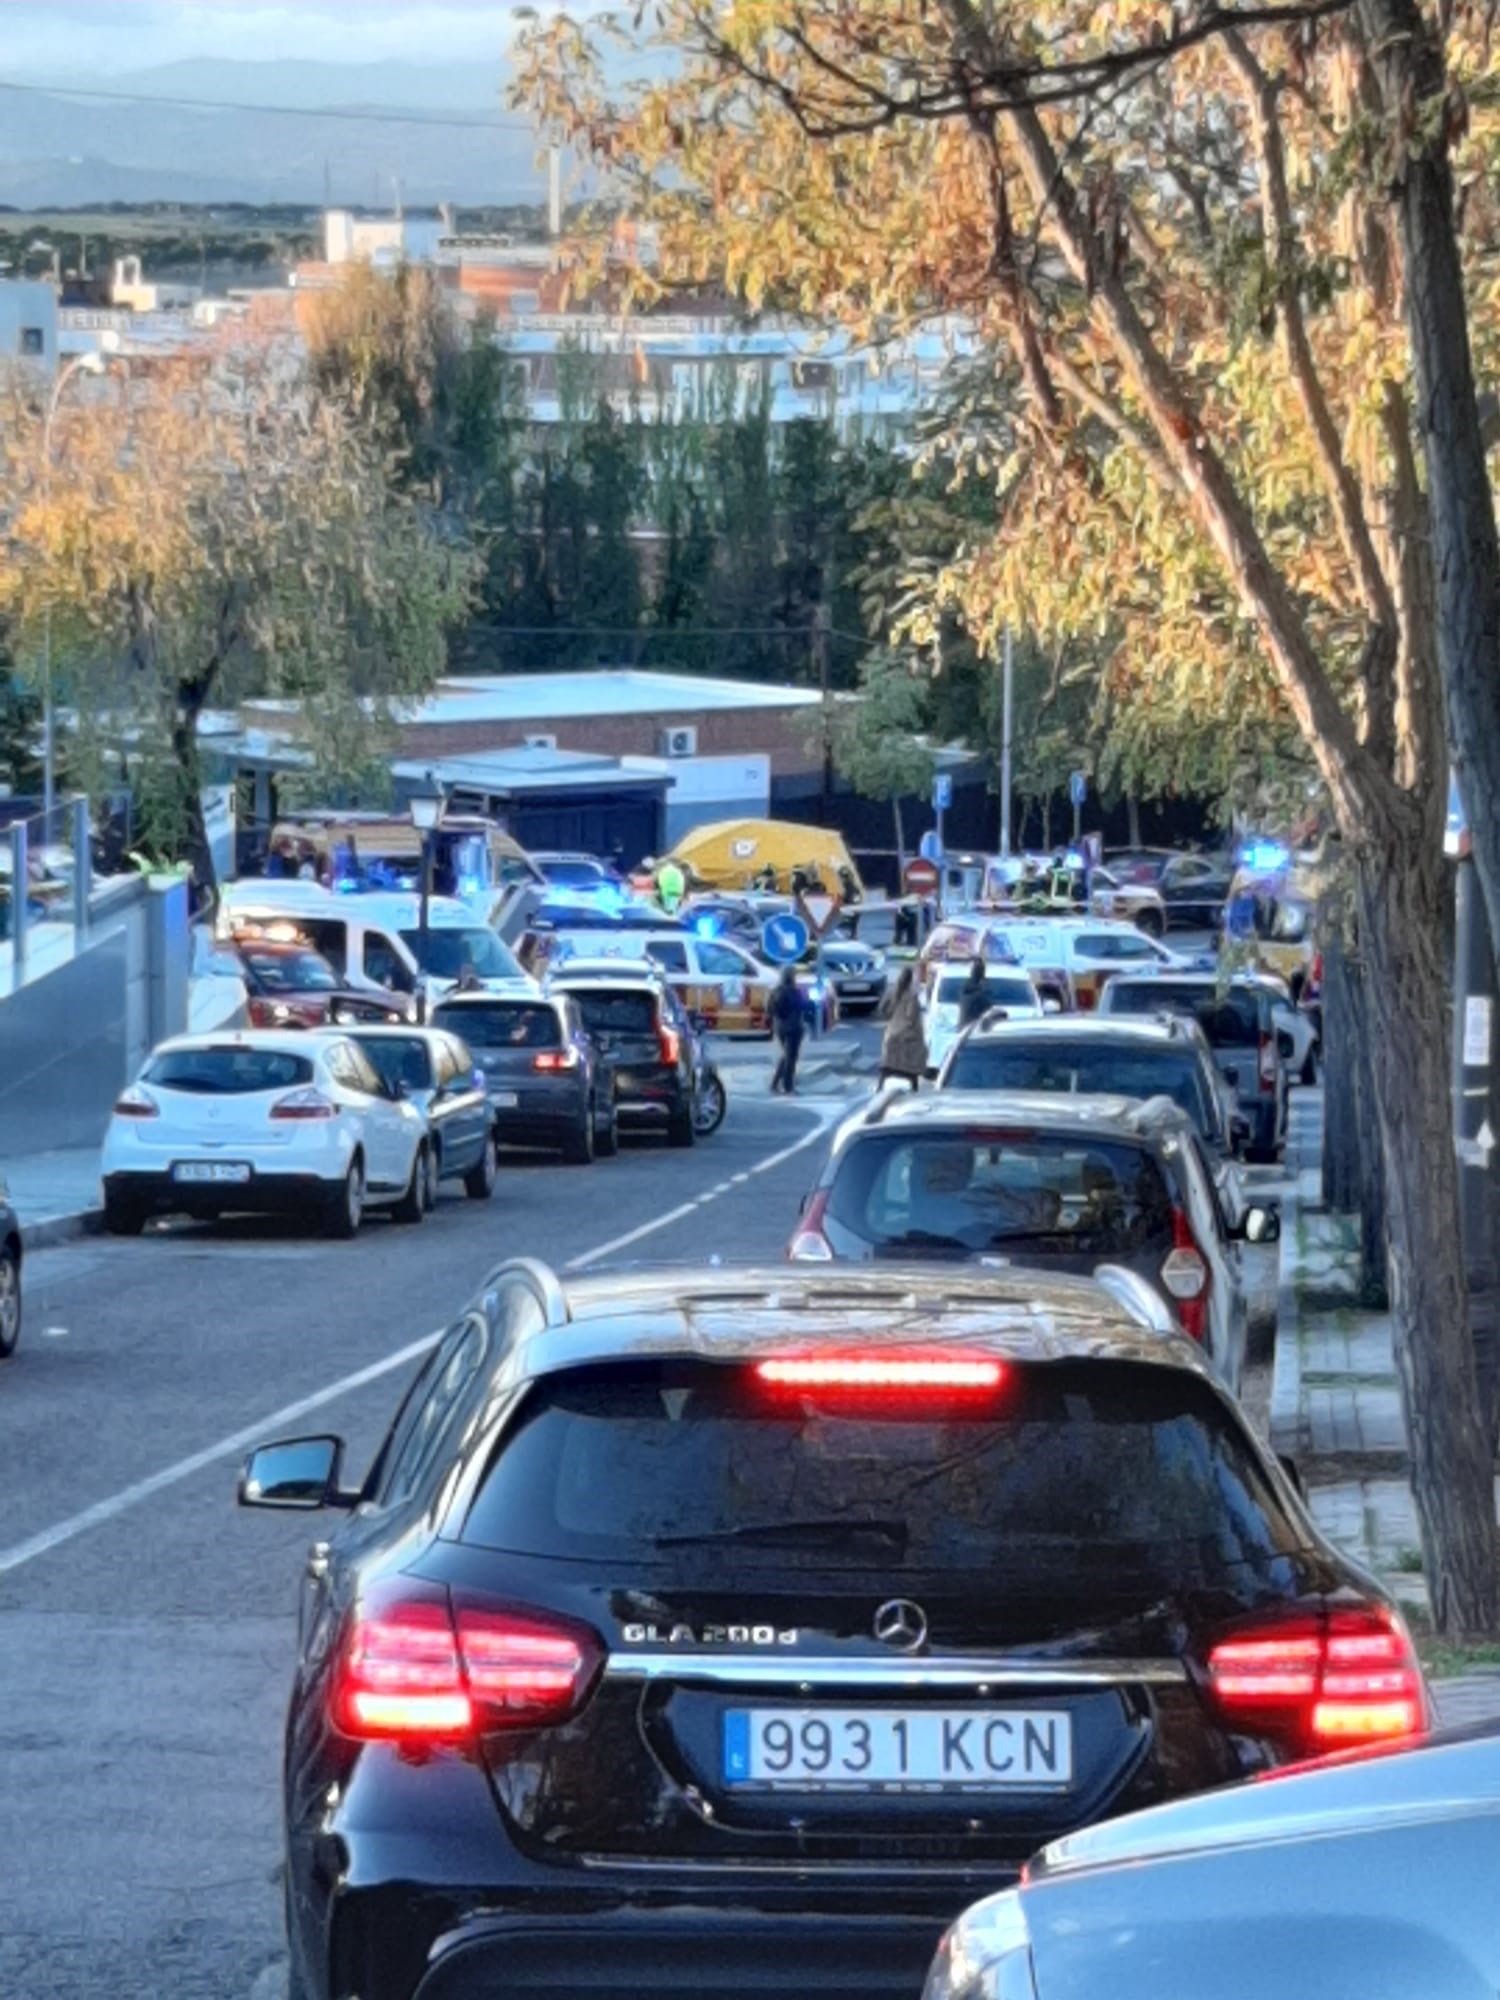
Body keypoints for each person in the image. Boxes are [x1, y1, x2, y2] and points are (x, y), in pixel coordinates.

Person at [878, 964, 927, 1089]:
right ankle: (914, 1087)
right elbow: (911, 1017)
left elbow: (882, 1010)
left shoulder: (891, 993)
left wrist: (890, 1019)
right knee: (911, 1068)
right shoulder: (912, 997)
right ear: (910, 980)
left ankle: (880, 1086)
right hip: (907, 1036)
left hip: (891, 1034)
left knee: (888, 1066)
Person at [770, 965, 811, 1095]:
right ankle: (788, 1087)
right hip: (793, 1027)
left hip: (779, 1027)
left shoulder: (775, 990)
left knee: (786, 1055)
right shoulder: (794, 991)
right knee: (791, 1058)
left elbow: (769, 1008)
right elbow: (802, 1006)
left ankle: (775, 1084)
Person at [957, 956, 990, 1029]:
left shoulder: (965, 989)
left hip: (964, 1027)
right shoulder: (978, 994)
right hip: (973, 1029)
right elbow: (987, 1009)